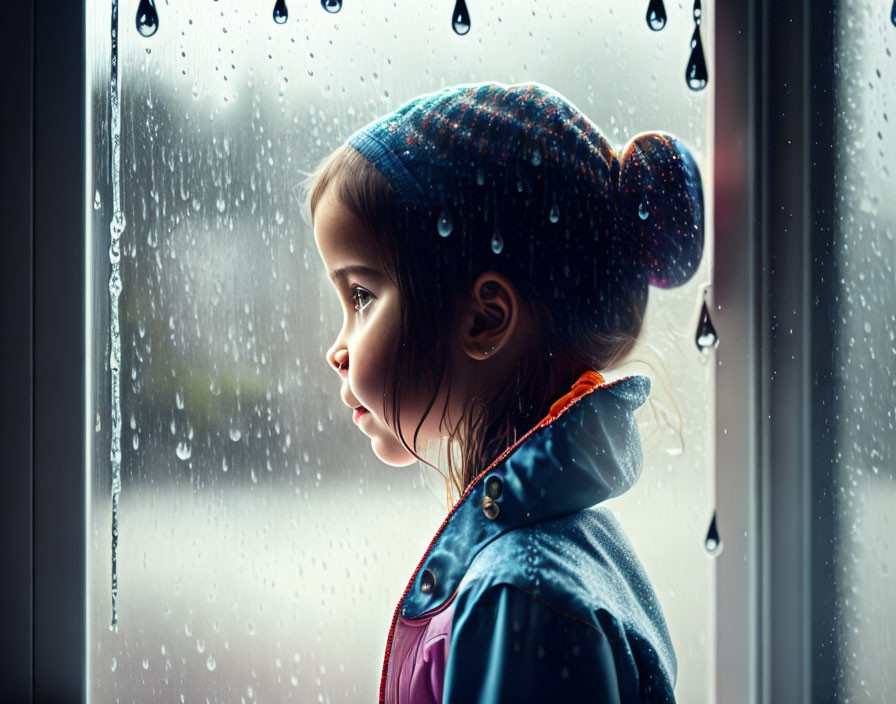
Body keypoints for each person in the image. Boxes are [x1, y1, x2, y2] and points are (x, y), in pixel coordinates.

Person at [303, 81, 703, 703]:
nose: (338, 350)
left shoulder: (519, 599)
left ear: (485, 319)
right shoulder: (576, 552)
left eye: (361, 296)